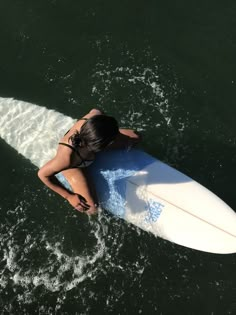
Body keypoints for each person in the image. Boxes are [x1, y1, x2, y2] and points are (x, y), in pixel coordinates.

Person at [38, 109, 140, 215]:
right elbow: (43, 174)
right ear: (101, 146)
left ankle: (109, 133)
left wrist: (105, 128)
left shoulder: (95, 116)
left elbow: (96, 110)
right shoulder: (67, 158)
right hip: (76, 166)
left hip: (93, 138)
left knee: (136, 138)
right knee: (91, 208)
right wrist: (69, 196)